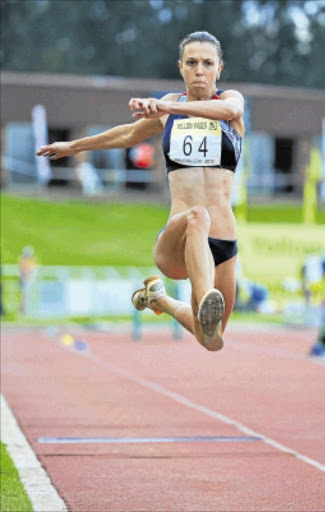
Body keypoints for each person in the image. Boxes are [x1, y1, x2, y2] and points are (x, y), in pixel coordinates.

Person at [36, 31, 245, 352]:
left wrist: (164, 107)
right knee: (197, 216)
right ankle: (205, 301)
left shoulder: (230, 103)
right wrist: (73, 146)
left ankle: (159, 298)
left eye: (207, 63)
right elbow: (127, 135)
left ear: (219, 68)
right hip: (178, 239)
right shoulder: (170, 109)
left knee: (211, 340)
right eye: (191, 63)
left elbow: (227, 111)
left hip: (223, 242)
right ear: (181, 67)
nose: (199, 70)